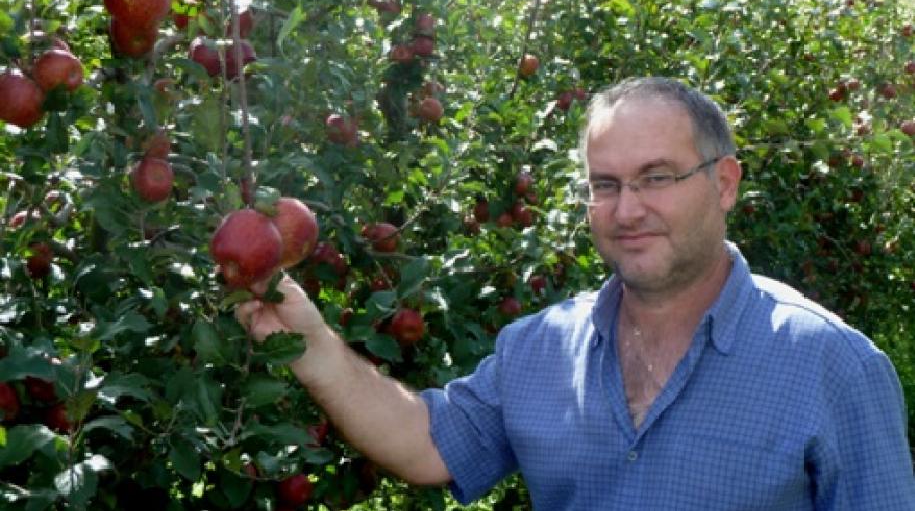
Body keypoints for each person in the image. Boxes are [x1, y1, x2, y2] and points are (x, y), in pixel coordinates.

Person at [236, 77, 915, 509]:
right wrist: (312, 343)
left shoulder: (832, 367)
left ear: (725, 183)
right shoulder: (539, 348)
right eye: (605, 184)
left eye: (656, 177)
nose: (626, 210)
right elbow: (425, 443)